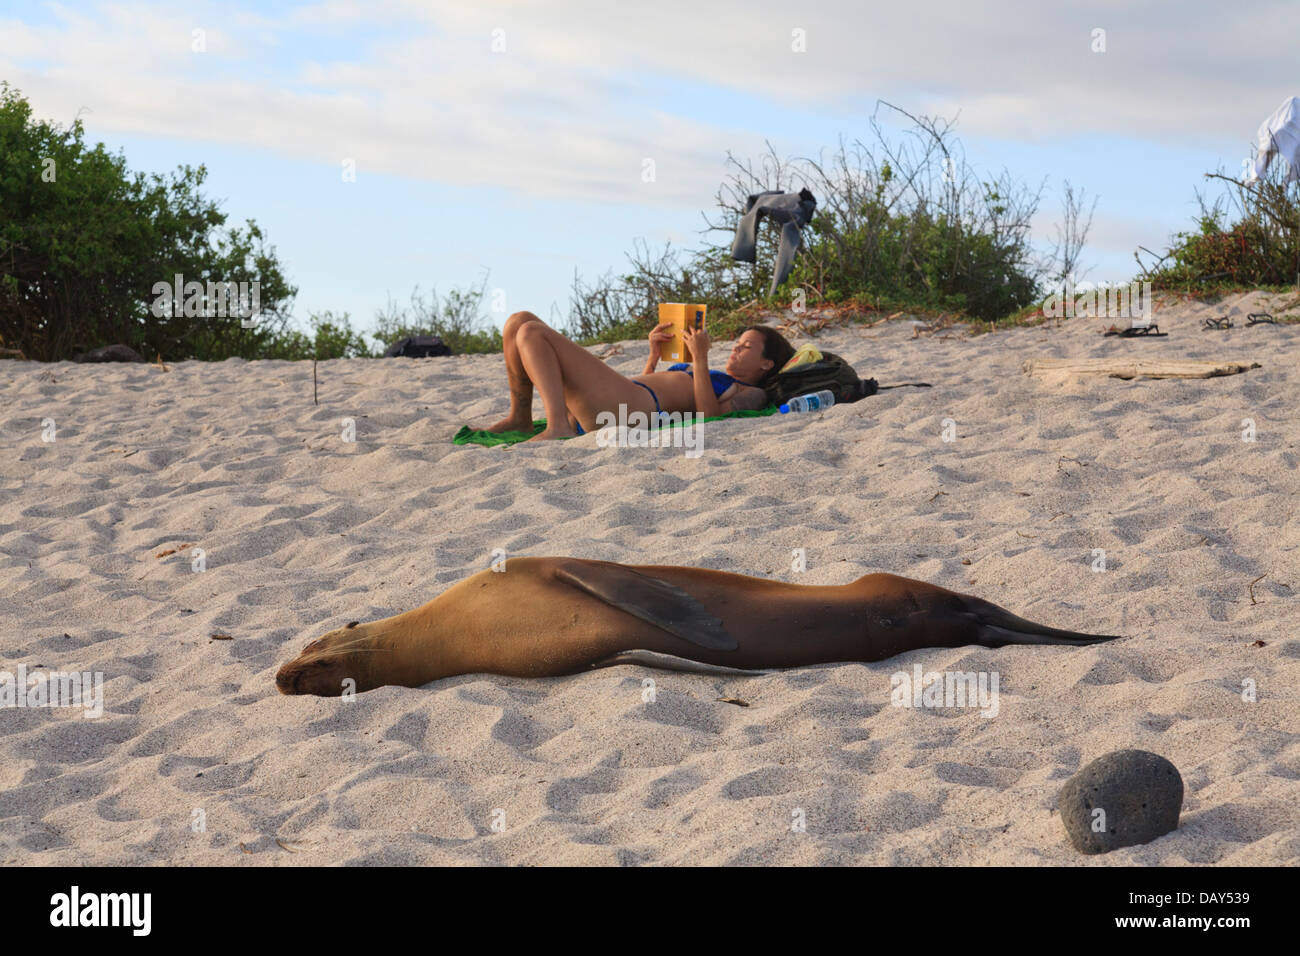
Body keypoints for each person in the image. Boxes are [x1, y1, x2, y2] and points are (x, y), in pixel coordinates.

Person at [483, 311, 796, 441]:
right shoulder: (710, 373)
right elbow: (648, 385)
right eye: (737, 343)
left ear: (766, 364)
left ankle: (558, 426)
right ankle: (520, 417)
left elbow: (709, 416)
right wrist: (653, 358)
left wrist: (699, 358)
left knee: (532, 333)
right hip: (628, 398)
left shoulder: (752, 393)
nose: (735, 349)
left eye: (747, 346)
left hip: (628, 410)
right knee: (518, 322)